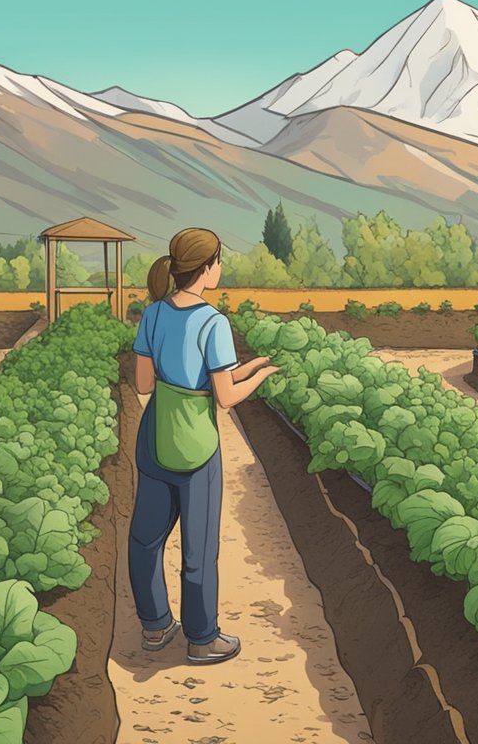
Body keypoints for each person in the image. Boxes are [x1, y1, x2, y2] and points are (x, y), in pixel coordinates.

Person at [128, 227, 281, 665]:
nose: (221, 268)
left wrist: (243, 365)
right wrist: (260, 376)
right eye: (219, 262)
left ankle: (155, 627)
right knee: (198, 547)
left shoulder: (153, 314)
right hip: (196, 441)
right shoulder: (214, 322)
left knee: (145, 538)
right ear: (207, 267)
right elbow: (226, 396)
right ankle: (201, 638)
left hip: (156, 431)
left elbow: (142, 384)